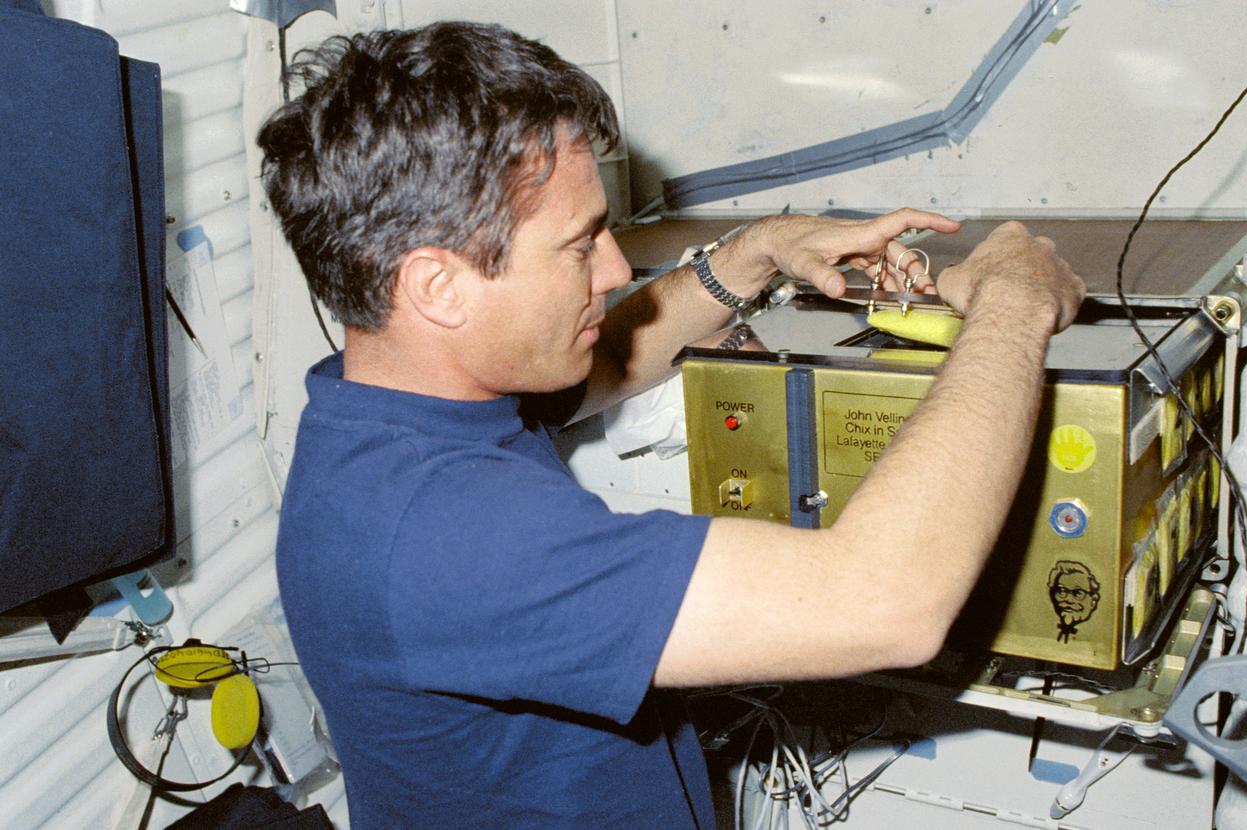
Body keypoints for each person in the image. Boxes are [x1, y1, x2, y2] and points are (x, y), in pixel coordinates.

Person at [260, 21, 1085, 830]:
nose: (616, 267)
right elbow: (887, 603)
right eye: (580, 245)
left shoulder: (395, 407)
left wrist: (758, 250)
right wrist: (1014, 305)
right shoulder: (447, 534)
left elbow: (608, 358)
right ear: (438, 287)